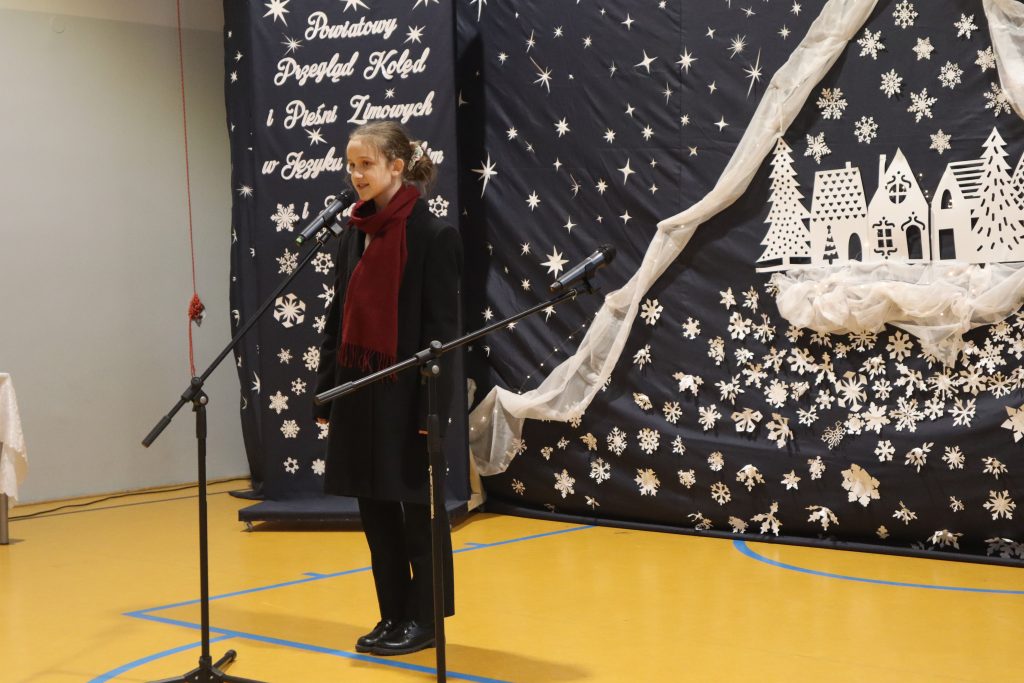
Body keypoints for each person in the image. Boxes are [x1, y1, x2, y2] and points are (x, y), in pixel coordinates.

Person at [314, 121, 461, 656]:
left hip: (408, 399)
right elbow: (338, 319)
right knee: (375, 513)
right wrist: (328, 390)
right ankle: (392, 613)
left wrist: (430, 413)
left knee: (417, 514)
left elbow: (444, 336)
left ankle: (426, 619)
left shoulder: (433, 236)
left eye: (366, 165)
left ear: (396, 167)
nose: (356, 175)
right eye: (351, 165)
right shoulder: (353, 233)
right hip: (359, 392)